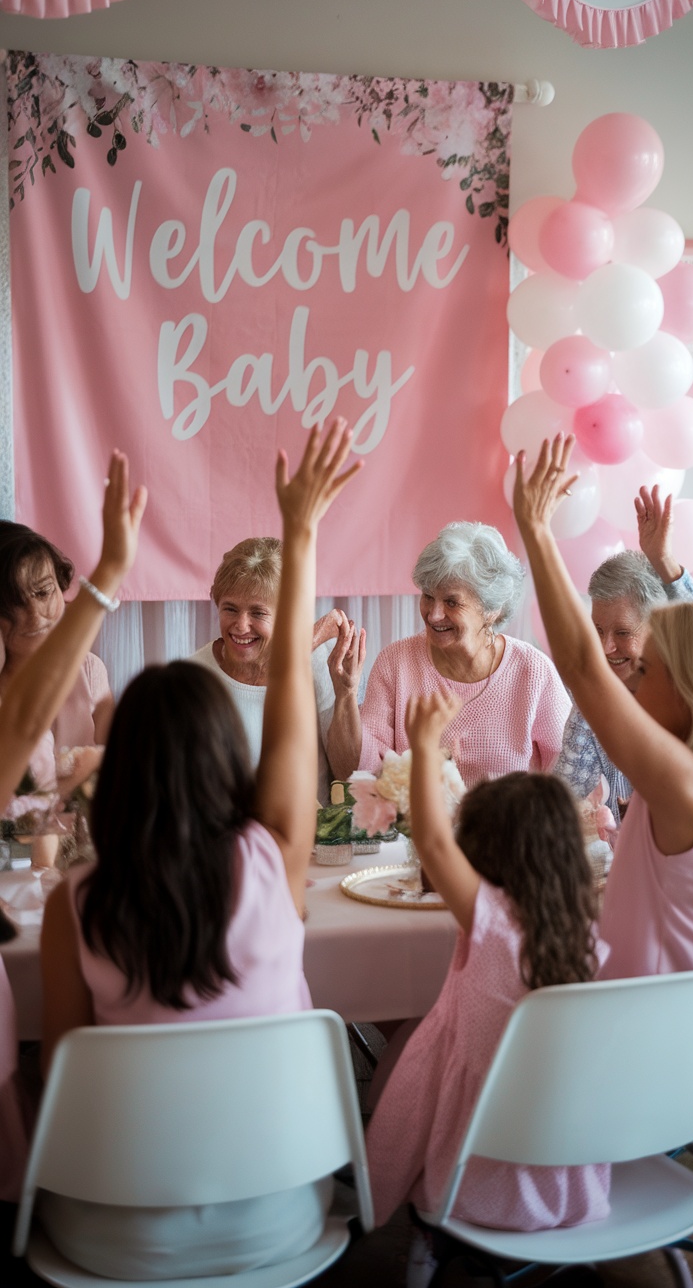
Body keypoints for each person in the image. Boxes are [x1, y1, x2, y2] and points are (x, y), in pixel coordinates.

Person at [36, 423, 361, 1279]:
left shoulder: (75, 903)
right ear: (228, 758)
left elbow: (67, 1084)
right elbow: (293, 693)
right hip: (280, 1219)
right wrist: (304, 529)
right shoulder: (274, 862)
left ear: (124, 763)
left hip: (110, 1233)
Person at [366, 691, 608, 1262]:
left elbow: (430, 840)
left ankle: (423, 1248)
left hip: (470, 1186)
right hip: (570, 1185)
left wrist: (424, 747)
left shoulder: (491, 921)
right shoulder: (593, 937)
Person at [513, 436, 693, 980]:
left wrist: (538, 532)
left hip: (644, 1035)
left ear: (690, 692)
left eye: (647, 668)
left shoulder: (691, 790)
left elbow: (586, 669)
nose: (630, 678)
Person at [0, 449, 147, 1203]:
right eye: (21, 599)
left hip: (62, 869)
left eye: (50, 587)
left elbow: (102, 773)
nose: (43, 610)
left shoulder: (86, 668)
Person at [327, 521, 570, 788]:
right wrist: (346, 695)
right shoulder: (395, 662)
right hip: (416, 826)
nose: (433, 614)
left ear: (492, 610)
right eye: (428, 596)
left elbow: (568, 777)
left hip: (509, 827)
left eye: (451, 602)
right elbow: (354, 773)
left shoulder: (533, 671)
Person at [554, 484, 693, 824]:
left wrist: (663, 561)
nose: (606, 647)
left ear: (657, 628)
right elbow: (564, 792)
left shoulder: (691, 685)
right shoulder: (594, 693)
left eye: (622, 633)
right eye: (598, 630)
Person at [189, 536, 342, 804]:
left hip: (312, 839)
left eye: (258, 613)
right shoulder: (194, 676)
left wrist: (347, 693)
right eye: (230, 609)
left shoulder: (319, 662)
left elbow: (347, 771)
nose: (241, 625)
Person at [0, 521, 115, 751]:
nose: (35, 615)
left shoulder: (90, 670)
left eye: (43, 593)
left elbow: (116, 767)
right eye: (15, 603)